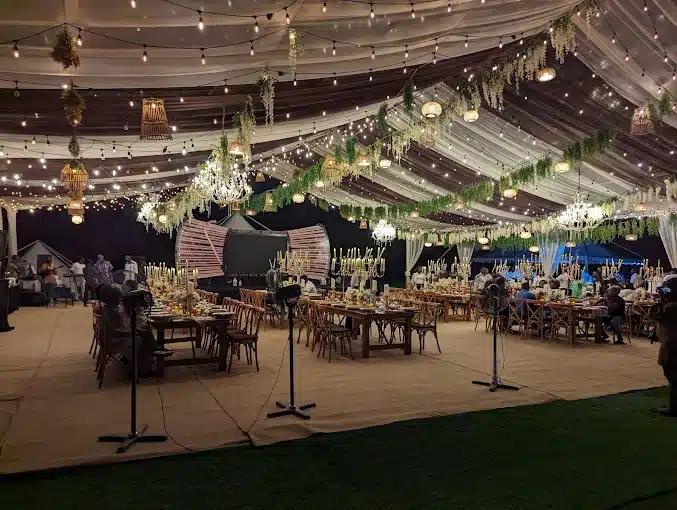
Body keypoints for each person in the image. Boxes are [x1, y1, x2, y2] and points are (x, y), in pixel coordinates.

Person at [656, 278, 677, 416]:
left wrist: (662, 298)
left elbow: (656, 315)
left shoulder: (671, 307)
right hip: (670, 343)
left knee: (672, 376)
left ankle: (673, 407)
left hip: (671, 344)